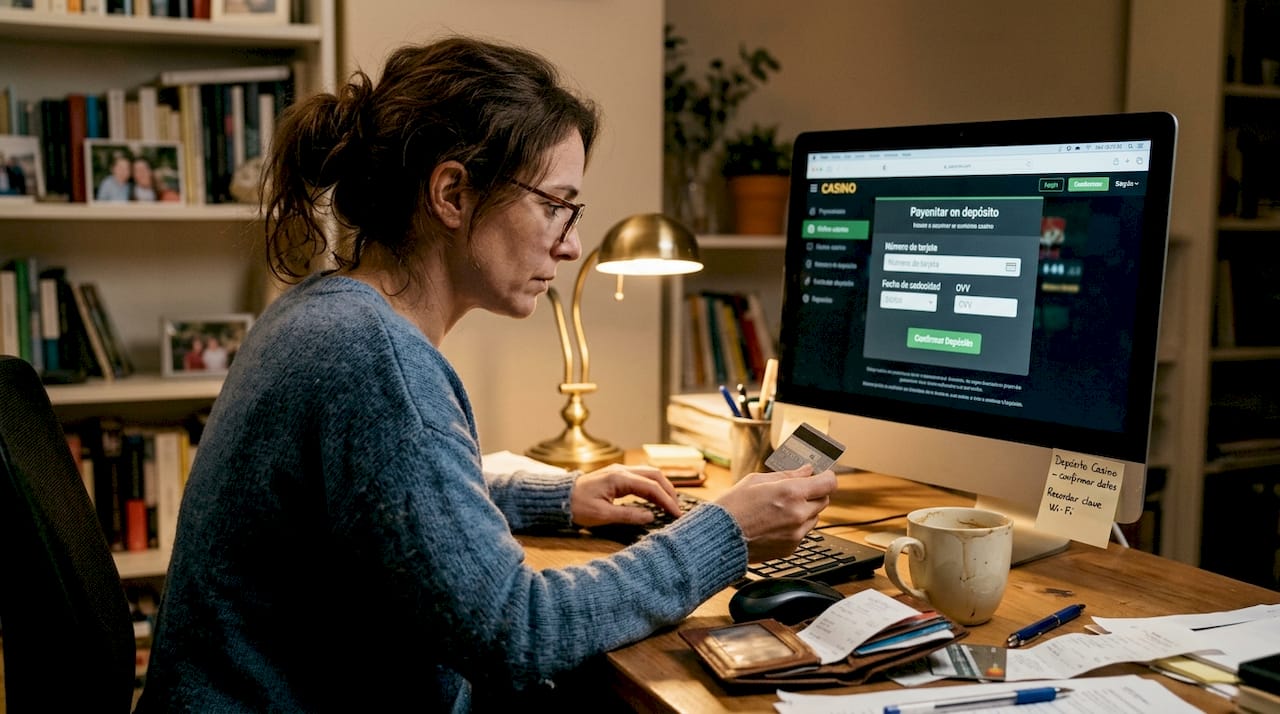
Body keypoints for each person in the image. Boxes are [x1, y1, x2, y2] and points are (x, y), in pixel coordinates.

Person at [135, 36, 836, 712]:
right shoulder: (375, 361)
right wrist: (725, 530)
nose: (572, 245)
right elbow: (520, 632)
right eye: (556, 206)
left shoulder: (323, 313)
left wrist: (558, 499)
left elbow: (386, 496)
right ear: (452, 194)